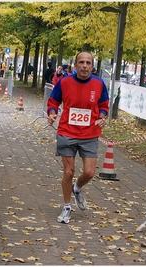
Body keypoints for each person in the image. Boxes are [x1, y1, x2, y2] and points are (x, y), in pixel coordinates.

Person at [47, 51, 110, 224]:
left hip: (90, 134)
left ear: (92, 66)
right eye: (81, 62)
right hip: (67, 132)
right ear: (75, 65)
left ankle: (77, 188)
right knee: (68, 171)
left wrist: (102, 117)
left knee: (89, 173)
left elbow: (104, 105)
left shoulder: (99, 84)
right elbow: (53, 101)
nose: (84, 66)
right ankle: (66, 207)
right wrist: (52, 113)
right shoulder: (65, 82)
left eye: (88, 63)